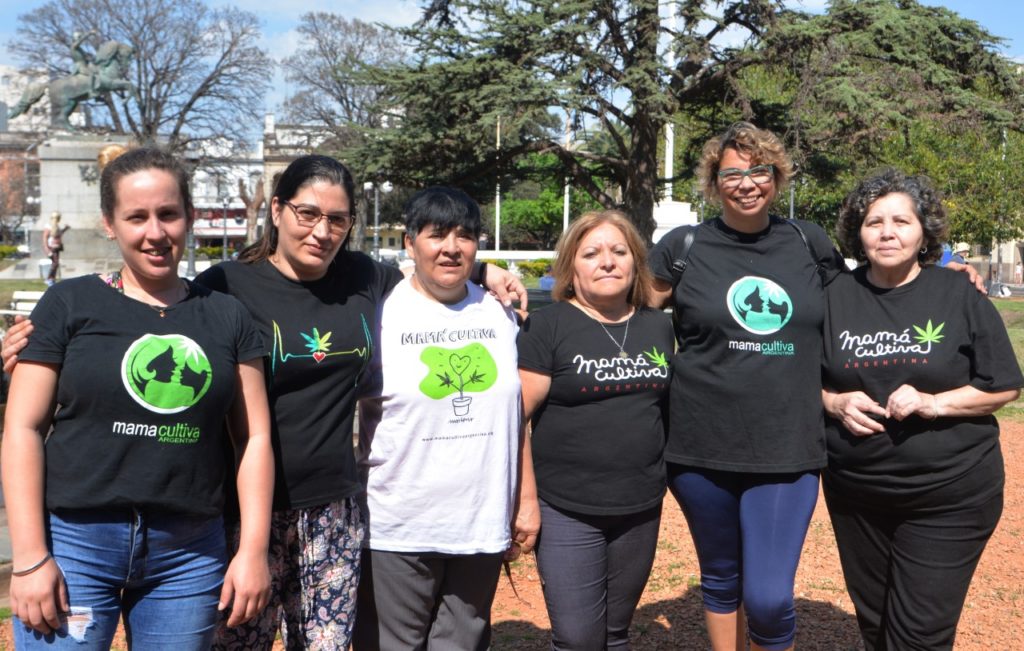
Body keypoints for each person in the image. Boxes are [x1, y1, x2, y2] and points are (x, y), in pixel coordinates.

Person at [0, 156, 527, 650]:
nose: (321, 231)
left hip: (331, 510)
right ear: (277, 210)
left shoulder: (367, 278)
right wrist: (38, 348)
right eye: (307, 213)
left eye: (337, 220)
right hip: (238, 511)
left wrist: (485, 272)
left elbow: (434, 269)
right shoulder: (224, 287)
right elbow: (147, 331)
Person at [1, 146, 274, 648]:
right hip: (75, 544)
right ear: (110, 224)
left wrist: (253, 550)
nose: (155, 232)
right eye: (136, 217)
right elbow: (22, 427)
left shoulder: (227, 316)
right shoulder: (68, 303)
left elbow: (253, 437)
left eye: (168, 214)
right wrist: (30, 558)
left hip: (189, 553)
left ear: (190, 216)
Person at [648, 121, 847, 651]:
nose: (747, 183)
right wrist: (489, 277)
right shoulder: (683, 246)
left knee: (769, 597)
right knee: (720, 577)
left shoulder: (807, 241)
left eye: (759, 171)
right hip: (699, 446)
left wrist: (939, 274)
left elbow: (859, 301)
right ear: (714, 183)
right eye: (732, 174)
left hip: (787, 446)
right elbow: (620, 304)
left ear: (776, 177)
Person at [822, 169, 1021, 650]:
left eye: (901, 221)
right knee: (876, 625)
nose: (887, 233)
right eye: (874, 222)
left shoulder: (957, 293)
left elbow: (1003, 386)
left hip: (950, 493)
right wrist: (832, 401)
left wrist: (934, 403)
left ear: (924, 232)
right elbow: (796, 379)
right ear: (858, 233)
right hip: (857, 493)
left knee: (919, 635)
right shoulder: (832, 297)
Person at [353, 187, 527, 651]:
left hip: (480, 521)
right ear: (410, 244)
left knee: (462, 643)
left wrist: (522, 499)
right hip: (398, 524)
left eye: (465, 236)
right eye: (437, 235)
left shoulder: (499, 311)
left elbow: (518, 411)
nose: (452, 247)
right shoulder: (381, 311)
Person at [517, 210, 673, 649]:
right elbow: (516, 417)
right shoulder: (547, 326)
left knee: (615, 633)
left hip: (640, 506)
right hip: (566, 507)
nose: (607, 261)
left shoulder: (658, 326)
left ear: (635, 262)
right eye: (591, 254)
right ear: (571, 267)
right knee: (577, 638)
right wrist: (526, 500)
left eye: (619, 251)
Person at [42, 212, 69, 286]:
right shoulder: (48, 226)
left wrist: (65, 229)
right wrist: (47, 250)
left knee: (56, 264)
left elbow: (59, 234)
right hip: (51, 248)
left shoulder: (57, 227)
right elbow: (45, 238)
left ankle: (52, 279)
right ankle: (49, 279)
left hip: (57, 247)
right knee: (55, 263)